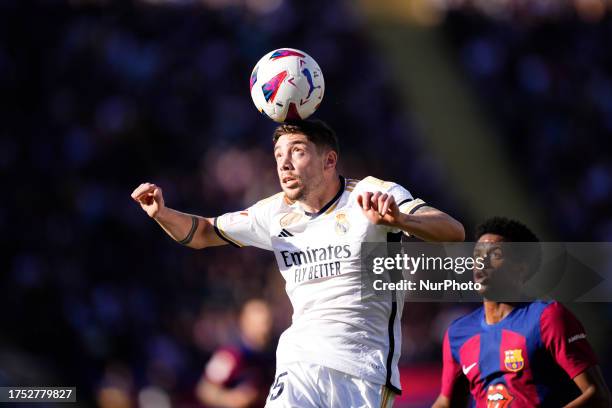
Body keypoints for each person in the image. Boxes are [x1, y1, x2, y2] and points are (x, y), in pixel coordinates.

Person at [132, 119, 465, 407]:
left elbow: (453, 231)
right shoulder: (273, 212)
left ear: (329, 160)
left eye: (297, 152)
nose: (284, 164)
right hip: (298, 363)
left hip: (361, 369)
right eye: (278, 155)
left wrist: (401, 219)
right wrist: (162, 213)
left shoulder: (371, 194)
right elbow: (203, 231)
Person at [432, 217, 611, 408]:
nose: (482, 262)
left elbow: (598, 396)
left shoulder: (548, 317)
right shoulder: (458, 333)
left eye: (495, 254)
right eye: (477, 254)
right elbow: (447, 402)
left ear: (521, 268)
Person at [196, 299, 276, 408]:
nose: (265, 329)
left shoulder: (274, 354)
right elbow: (205, 389)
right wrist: (230, 398)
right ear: (244, 322)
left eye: (267, 322)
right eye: (259, 324)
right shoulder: (230, 355)